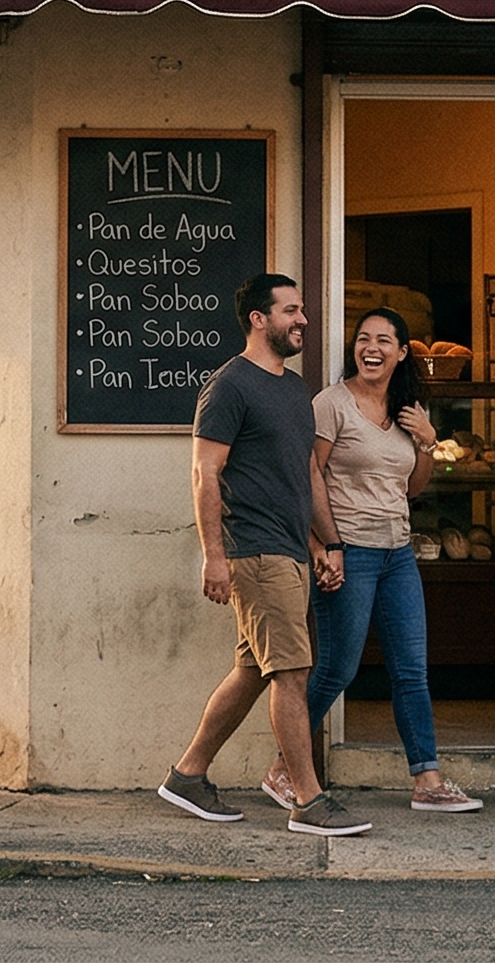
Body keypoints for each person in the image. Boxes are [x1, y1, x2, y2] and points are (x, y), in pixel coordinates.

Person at [156, 274, 373, 838]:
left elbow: (302, 475)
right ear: (259, 318)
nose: (303, 320)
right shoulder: (230, 385)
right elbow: (206, 473)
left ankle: (187, 775)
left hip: (290, 550)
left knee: (254, 669)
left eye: (301, 310)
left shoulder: (294, 390)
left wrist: (326, 543)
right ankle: (308, 799)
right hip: (254, 550)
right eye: (291, 311)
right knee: (293, 674)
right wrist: (214, 556)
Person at [263, 308, 484, 814]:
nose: (372, 347)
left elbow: (413, 488)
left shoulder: (409, 408)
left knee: (411, 670)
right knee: (337, 669)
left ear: (402, 353)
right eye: (364, 338)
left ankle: (427, 780)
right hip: (351, 551)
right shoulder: (331, 404)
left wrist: (428, 440)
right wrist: (327, 545)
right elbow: (309, 476)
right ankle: (283, 768)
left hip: (397, 552)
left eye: (385, 340)